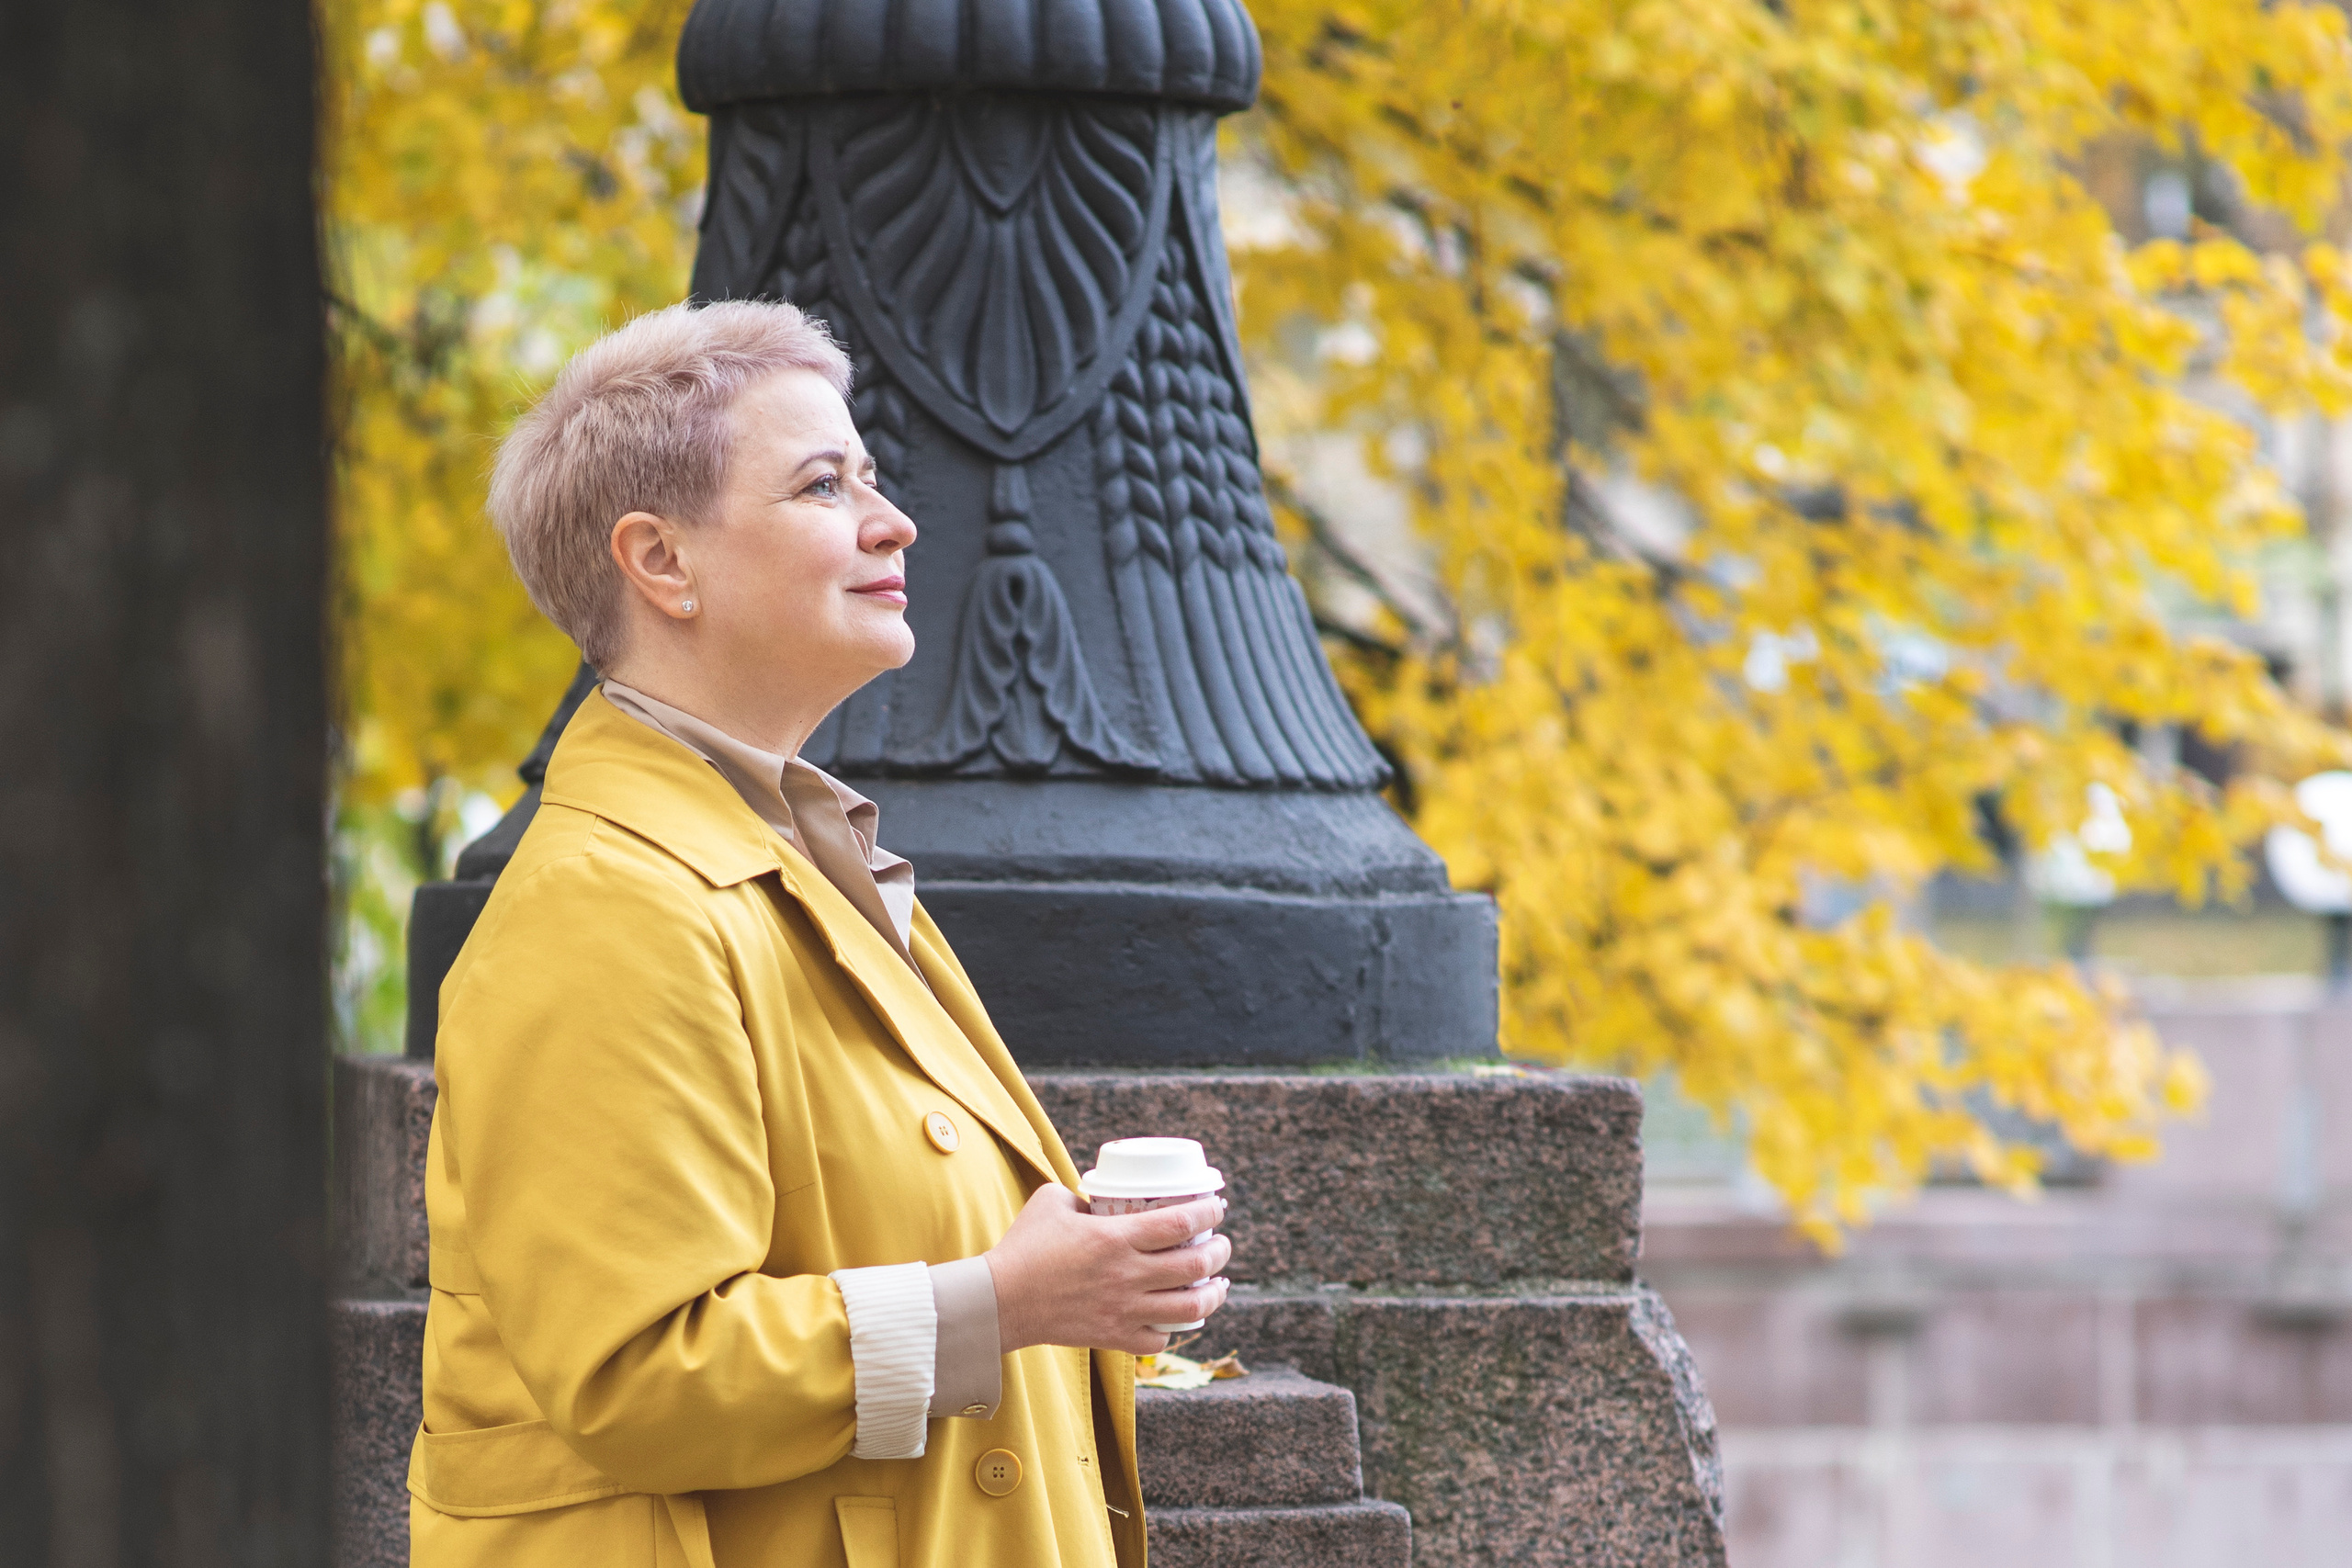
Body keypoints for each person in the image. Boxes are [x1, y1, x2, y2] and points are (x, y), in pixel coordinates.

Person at [406, 299, 1232, 1568]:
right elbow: (641, 1378)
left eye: (872, 475)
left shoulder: (806, 856)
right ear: (660, 563)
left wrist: (1091, 1288)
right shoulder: (608, 903)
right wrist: (1014, 1301)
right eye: (821, 483)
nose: (893, 519)